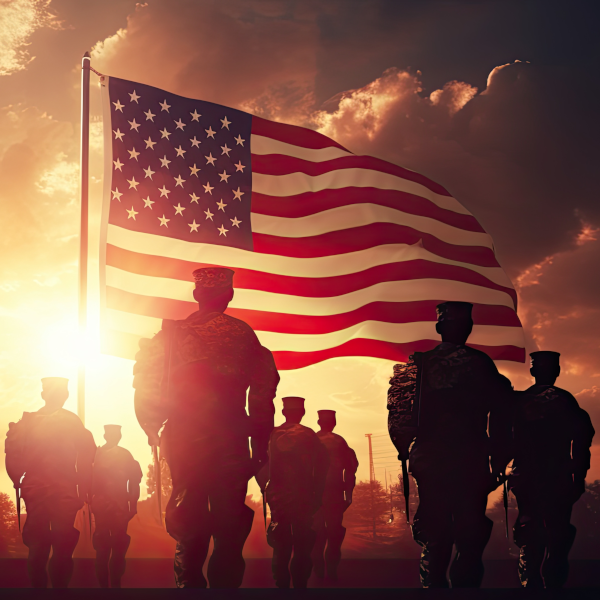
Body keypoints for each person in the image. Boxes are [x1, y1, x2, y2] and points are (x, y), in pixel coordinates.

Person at [132, 267, 279, 588]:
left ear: (198, 294)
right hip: (231, 432)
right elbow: (262, 394)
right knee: (228, 522)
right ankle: (224, 588)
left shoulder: (170, 335)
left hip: (183, 435)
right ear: (228, 295)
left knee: (188, 514)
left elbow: (145, 383)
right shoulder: (244, 334)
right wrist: (260, 446)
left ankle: (188, 587)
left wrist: (151, 427)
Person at [387, 301, 513, 588]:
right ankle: (462, 585)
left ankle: (434, 584)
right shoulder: (481, 364)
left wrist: (404, 449)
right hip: (470, 457)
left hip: (431, 459)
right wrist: (500, 459)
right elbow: (502, 415)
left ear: (438, 327)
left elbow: (399, 412)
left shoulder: (419, 364)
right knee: (469, 527)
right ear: (467, 328)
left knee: (437, 525)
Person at [510, 351, 595, 589]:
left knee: (532, 527)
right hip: (557, 476)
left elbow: (505, 439)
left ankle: (533, 581)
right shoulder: (567, 401)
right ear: (557, 371)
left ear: (532, 371)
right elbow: (582, 443)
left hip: (527, 477)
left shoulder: (520, 401)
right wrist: (578, 477)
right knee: (557, 530)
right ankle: (552, 580)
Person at [4, 377, 96, 588]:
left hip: (36, 489)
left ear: (44, 394)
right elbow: (86, 457)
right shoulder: (71, 420)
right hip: (62, 490)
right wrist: (85, 487)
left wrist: (17, 479)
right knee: (60, 547)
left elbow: (12, 454)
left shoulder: (28, 421)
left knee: (40, 546)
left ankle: (43, 591)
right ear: (64, 395)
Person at [265, 397, 329, 589]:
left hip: (278, 498)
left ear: (284, 412)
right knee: (302, 545)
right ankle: (300, 586)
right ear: (302, 413)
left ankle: (281, 585)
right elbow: (322, 465)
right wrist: (317, 493)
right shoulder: (309, 435)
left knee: (280, 543)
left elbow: (266, 465)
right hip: (304, 497)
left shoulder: (274, 434)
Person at [91, 424, 142, 588]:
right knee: (103, 549)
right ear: (106, 435)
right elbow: (87, 480)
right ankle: (105, 588)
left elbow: (134, 483)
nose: (115, 437)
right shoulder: (96, 455)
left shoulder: (125, 455)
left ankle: (115, 586)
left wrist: (133, 504)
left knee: (117, 548)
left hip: (118, 506)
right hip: (104, 506)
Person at [311, 409, 358, 582]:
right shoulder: (340, 442)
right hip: (334, 494)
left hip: (315, 496)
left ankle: (319, 570)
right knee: (334, 534)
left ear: (318, 422)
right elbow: (350, 471)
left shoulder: (311, 441)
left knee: (317, 533)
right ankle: (331, 571)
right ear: (334, 423)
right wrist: (348, 494)